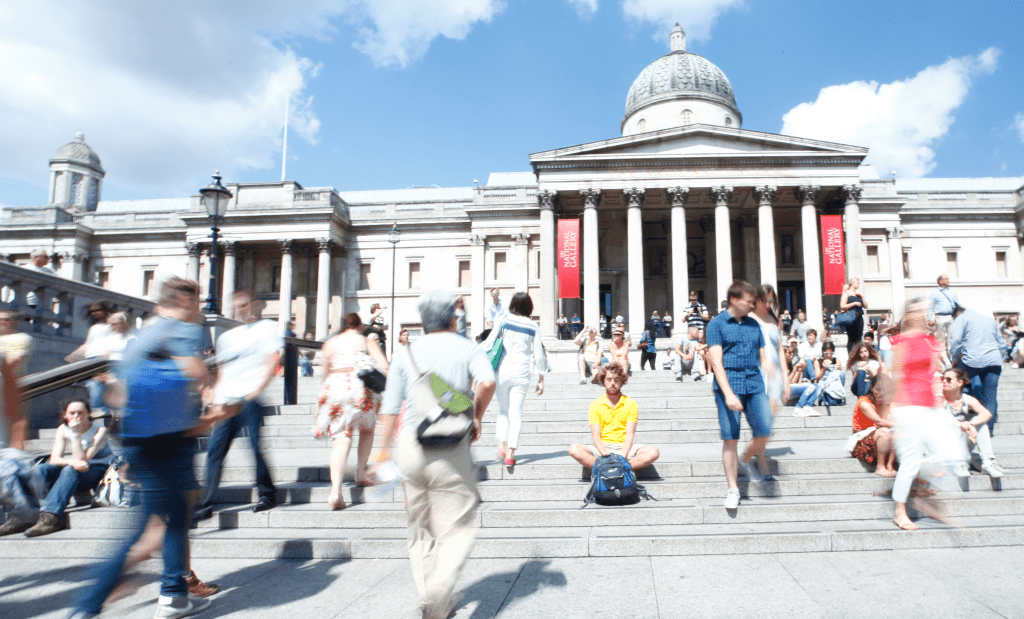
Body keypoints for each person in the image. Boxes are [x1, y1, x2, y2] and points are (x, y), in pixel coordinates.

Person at [70, 277, 213, 619]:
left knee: (174, 515)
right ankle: (90, 604)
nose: (199, 309)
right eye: (196, 302)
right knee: (154, 524)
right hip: (168, 437)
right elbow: (196, 373)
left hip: (135, 436)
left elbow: (117, 390)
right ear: (181, 299)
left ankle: (173, 594)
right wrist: (213, 400)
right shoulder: (179, 328)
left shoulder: (141, 333)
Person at [372, 289, 496, 619]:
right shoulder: (468, 347)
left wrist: (381, 456)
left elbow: (387, 410)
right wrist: (476, 415)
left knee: (419, 526)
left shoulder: (405, 354)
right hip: (450, 446)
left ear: (422, 324)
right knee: (457, 526)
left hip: (410, 446)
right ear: (453, 319)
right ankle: (441, 591)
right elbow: (487, 382)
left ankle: (428, 597)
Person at [194, 289, 282, 523]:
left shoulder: (266, 329)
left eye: (244, 305)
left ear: (253, 305)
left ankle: (267, 493)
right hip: (227, 400)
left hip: (250, 397)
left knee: (254, 447)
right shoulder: (226, 338)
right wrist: (214, 393)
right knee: (215, 451)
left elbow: (273, 358)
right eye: (236, 306)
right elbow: (221, 371)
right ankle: (205, 504)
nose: (240, 310)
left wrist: (258, 389)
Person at [890, 300, 965, 531]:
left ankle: (922, 495)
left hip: (929, 405)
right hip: (907, 405)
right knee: (910, 462)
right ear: (908, 315)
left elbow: (934, 373)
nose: (921, 314)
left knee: (953, 453)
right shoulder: (899, 341)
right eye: (916, 310)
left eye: (923, 310)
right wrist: (891, 408)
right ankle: (900, 511)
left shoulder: (930, 340)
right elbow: (895, 375)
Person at [706, 281, 774, 509]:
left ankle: (745, 460)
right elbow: (716, 363)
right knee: (730, 437)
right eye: (749, 301)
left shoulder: (754, 325)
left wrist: (768, 366)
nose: (753, 305)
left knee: (765, 428)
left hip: (754, 382)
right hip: (730, 382)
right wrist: (728, 394)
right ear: (735, 300)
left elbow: (762, 354)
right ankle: (733, 489)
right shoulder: (716, 325)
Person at [0, 399, 111, 537]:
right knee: (42, 469)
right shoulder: (63, 429)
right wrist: (72, 462)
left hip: (97, 472)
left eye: (80, 413)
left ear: (89, 413)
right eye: (72, 413)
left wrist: (76, 434)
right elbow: (55, 459)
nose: (76, 416)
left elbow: (83, 460)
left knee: (70, 469)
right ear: (65, 415)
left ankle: (50, 517)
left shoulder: (100, 430)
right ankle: (26, 515)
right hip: (76, 470)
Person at [313, 312, 389, 510]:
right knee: (367, 429)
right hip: (360, 388)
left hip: (335, 386)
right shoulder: (365, 342)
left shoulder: (329, 344)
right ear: (360, 324)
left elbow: (324, 372)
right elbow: (384, 367)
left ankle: (336, 492)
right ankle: (361, 473)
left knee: (342, 437)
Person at [484, 292, 548, 468]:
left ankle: (501, 444)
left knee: (503, 411)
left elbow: (489, 343)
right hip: (521, 372)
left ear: (512, 305)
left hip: (502, 371)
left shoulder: (504, 319)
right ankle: (511, 453)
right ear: (529, 307)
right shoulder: (534, 326)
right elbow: (539, 355)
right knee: (516, 413)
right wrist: (541, 377)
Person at [568, 363, 660, 471]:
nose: (612, 383)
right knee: (574, 449)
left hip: (624, 447)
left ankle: (613, 468)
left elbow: (629, 435)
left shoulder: (631, 404)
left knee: (653, 451)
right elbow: (596, 436)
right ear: (603, 381)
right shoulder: (595, 405)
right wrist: (606, 456)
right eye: (609, 379)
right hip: (602, 447)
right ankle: (617, 468)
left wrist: (623, 457)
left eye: (616, 380)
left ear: (622, 381)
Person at [950, 305, 1003, 434]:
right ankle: (988, 429)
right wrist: (1000, 357)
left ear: (957, 314)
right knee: (990, 396)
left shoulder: (961, 318)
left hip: (971, 361)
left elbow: (956, 341)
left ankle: (957, 418)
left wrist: (955, 359)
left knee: (953, 382)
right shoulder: (989, 320)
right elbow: (1001, 342)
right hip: (993, 361)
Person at [941, 368, 1003, 478]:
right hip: (943, 444)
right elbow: (943, 415)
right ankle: (960, 463)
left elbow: (987, 413)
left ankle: (988, 462)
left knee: (980, 424)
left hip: (963, 442)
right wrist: (961, 425)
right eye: (942, 379)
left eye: (948, 379)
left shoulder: (966, 399)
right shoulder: (939, 399)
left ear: (960, 383)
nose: (944, 382)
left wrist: (971, 424)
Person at [850, 374, 897, 477]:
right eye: (878, 389)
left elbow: (890, 419)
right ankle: (880, 467)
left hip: (878, 439)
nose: (881, 393)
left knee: (898, 434)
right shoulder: (863, 402)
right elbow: (879, 422)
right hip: (861, 442)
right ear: (871, 388)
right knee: (885, 432)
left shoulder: (885, 402)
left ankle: (890, 465)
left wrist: (886, 404)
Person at [752, 285, 788, 415]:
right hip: (756, 370)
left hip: (774, 371)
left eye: (771, 301)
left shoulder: (773, 319)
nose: (768, 304)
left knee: (772, 410)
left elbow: (780, 351)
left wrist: (786, 377)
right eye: (764, 300)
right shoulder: (749, 318)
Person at [0, 310, 32, 449]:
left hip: (10, 384)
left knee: (13, 425)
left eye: (5, 319)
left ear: (13, 321)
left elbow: (14, 361)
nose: (2, 322)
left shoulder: (21, 338)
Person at [929, 274, 961, 339]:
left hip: (951, 317)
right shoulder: (935, 292)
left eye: (948, 279)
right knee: (940, 337)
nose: (947, 280)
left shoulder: (952, 291)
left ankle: (950, 349)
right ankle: (941, 349)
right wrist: (929, 318)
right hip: (940, 317)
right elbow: (930, 306)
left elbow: (958, 304)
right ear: (940, 281)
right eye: (945, 279)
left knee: (951, 336)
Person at [840, 277, 867, 352]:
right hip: (851, 317)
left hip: (859, 317)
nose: (859, 284)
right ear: (852, 283)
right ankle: (851, 356)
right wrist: (854, 303)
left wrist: (862, 297)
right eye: (857, 283)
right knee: (851, 338)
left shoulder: (858, 294)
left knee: (859, 339)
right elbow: (842, 306)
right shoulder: (846, 293)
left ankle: (858, 355)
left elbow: (866, 306)